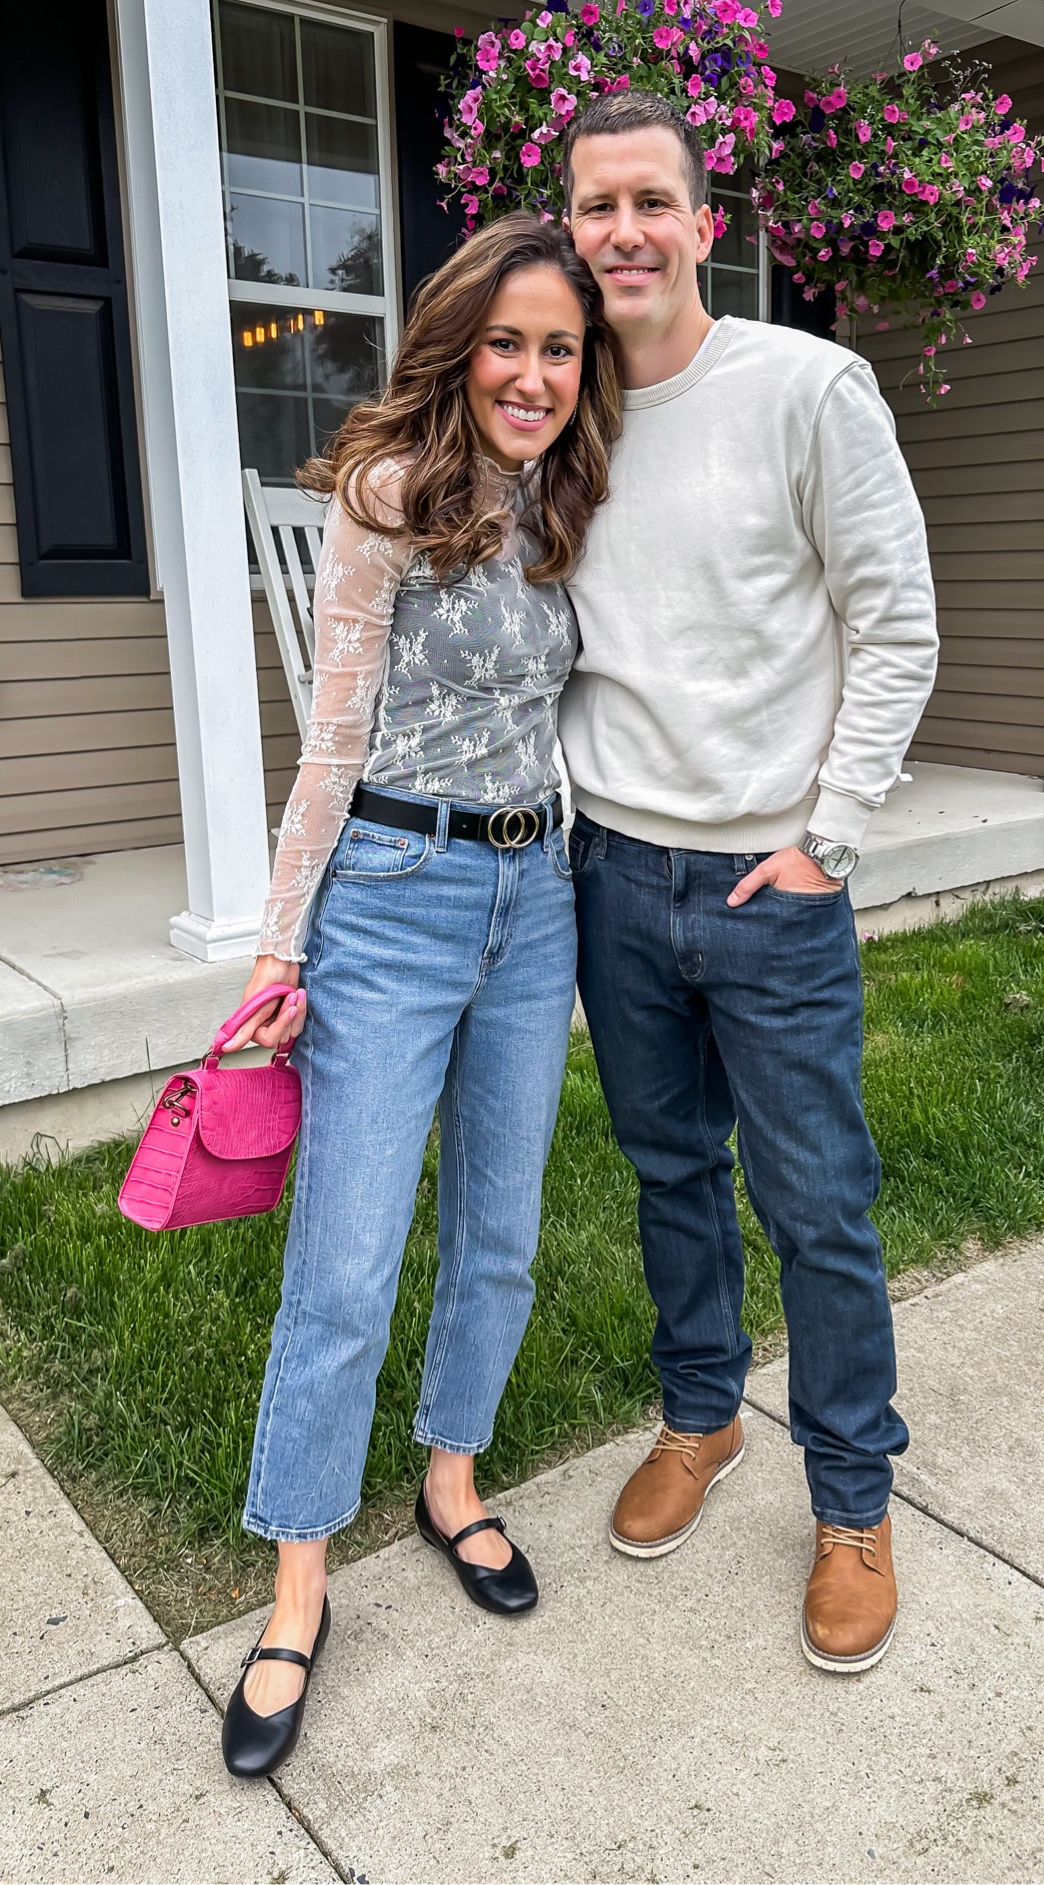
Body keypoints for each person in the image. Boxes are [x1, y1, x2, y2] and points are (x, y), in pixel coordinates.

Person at [216, 213, 621, 1778]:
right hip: (393, 893)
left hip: (540, 899)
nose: (531, 373)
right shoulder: (387, 498)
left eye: (559, 348)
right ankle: (297, 1581)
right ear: (461, 346)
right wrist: (277, 944)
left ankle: (449, 1476)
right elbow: (331, 733)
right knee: (349, 1250)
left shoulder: (576, 502)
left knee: (500, 1224)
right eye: (508, 342)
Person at [559, 91, 939, 1673]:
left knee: (819, 1205)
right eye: (595, 207)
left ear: (706, 221)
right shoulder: (556, 404)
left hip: (765, 886)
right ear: (568, 229)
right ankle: (701, 1414)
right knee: (667, 1173)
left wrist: (825, 838)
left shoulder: (805, 385)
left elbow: (895, 619)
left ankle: (852, 1498)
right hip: (610, 871)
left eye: (651, 200)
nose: (623, 232)